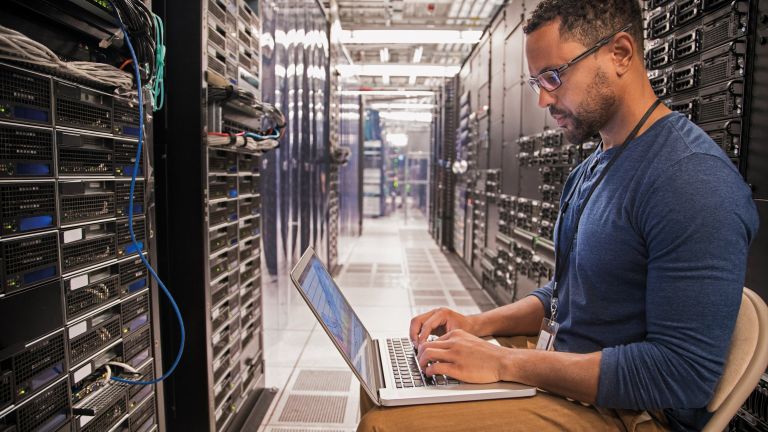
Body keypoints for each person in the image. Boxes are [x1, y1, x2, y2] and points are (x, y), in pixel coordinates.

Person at [358, 0, 760, 431]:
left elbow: (680, 375)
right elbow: (565, 295)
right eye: (536, 82)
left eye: (554, 76)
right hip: (567, 365)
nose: (543, 99)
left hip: (626, 412)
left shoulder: (690, 180)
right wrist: (475, 325)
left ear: (620, 54)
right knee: (387, 382)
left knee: (390, 423)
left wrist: (505, 362)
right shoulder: (592, 168)